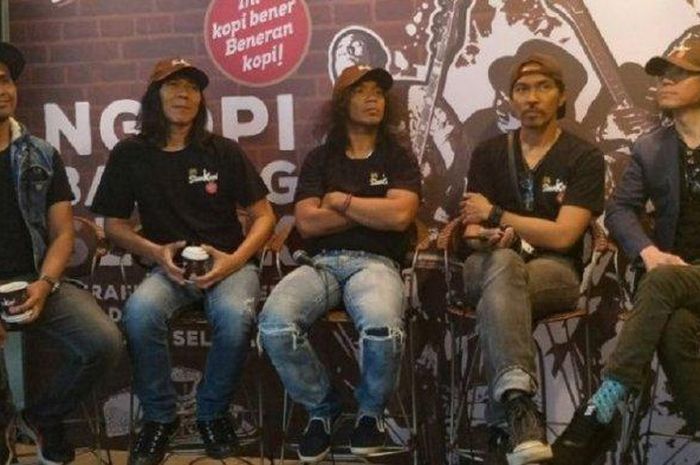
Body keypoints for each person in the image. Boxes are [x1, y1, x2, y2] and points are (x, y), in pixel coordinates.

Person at [91, 58, 275, 465]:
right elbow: (113, 226)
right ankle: (160, 418)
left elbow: (264, 215)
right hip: (168, 269)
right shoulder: (130, 153)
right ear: (154, 96)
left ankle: (212, 413)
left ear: (200, 100)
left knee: (236, 317)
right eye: (173, 85)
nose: (184, 94)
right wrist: (155, 252)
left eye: (192, 87)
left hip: (228, 265)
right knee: (139, 315)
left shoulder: (222, 151)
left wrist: (235, 260)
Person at [258, 64, 421, 463]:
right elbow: (308, 223)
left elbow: (401, 217)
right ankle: (322, 408)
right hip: (321, 263)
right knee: (274, 325)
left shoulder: (398, 157)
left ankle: (370, 413)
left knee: (382, 327)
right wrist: (372, 209)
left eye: (378, 92)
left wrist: (342, 201)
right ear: (342, 103)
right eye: (361, 92)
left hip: (377, 263)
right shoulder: (321, 159)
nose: (373, 98)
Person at [552, 39, 700, 465]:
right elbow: (618, 209)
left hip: (676, 280)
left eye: (680, 73)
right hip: (679, 279)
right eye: (662, 74)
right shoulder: (651, 147)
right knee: (673, 329)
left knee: (663, 281)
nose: (666, 81)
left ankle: (602, 405)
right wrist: (648, 251)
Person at [457, 52, 604, 464]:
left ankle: (510, 414)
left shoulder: (583, 156)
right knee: (502, 263)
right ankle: (517, 407)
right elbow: (469, 229)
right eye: (522, 89)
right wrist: (487, 234)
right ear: (511, 98)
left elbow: (564, 235)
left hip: (555, 271)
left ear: (562, 96)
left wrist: (498, 215)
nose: (532, 97)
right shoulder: (488, 152)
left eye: (543, 87)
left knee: (504, 281)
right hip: (485, 264)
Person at [0, 42, 122, 465]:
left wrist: (45, 283)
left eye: (5, 80)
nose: (1, 90)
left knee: (103, 342)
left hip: (37, 279)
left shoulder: (40, 154)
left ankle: (45, 416)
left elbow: (63, 233)